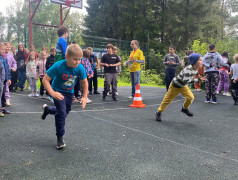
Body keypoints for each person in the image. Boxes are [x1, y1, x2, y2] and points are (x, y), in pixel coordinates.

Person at [41, 44, 88, 149]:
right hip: (57, 91)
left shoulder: (80, 68)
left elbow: (84, 82)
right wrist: (52, 93)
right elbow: (45, 80)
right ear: (67, 57)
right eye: (75, 59)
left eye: (80, 59)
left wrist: (84, 97)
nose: (78, 62)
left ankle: (48, 110)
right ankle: (60, 138)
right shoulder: (58, 65)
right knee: (61, 113)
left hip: (69, 93)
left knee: (64, 111)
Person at [155, 53, 204, 121]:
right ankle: (158, 112)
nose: (202, 61)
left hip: (183, 86)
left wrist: (199, 76)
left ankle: (184, 108)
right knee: (167, 100)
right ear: (195, 62)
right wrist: (198, 80)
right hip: (175, 86)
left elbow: (195, 73)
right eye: (200, 60)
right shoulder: (188, 69)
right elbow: (186, 81)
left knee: (190, 97)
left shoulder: (195, 68)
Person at [0, 43, 11, 116]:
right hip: (0, 78)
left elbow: (7, 69)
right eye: (1, 49)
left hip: (4, 79)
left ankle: (3, 108)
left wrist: (8, 78)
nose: (3, 51)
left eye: (4, 49)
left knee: (3, 94)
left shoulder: (4, 59)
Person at [4, 42, 17, 107]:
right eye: (7, 47)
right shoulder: (2, 54)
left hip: (7, 73)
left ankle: (7, 99)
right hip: (2, 72)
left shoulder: (10, 55)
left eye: (9, 47)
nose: (8, 48)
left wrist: (14, 67)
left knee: (6, 86)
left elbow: (14, 62)